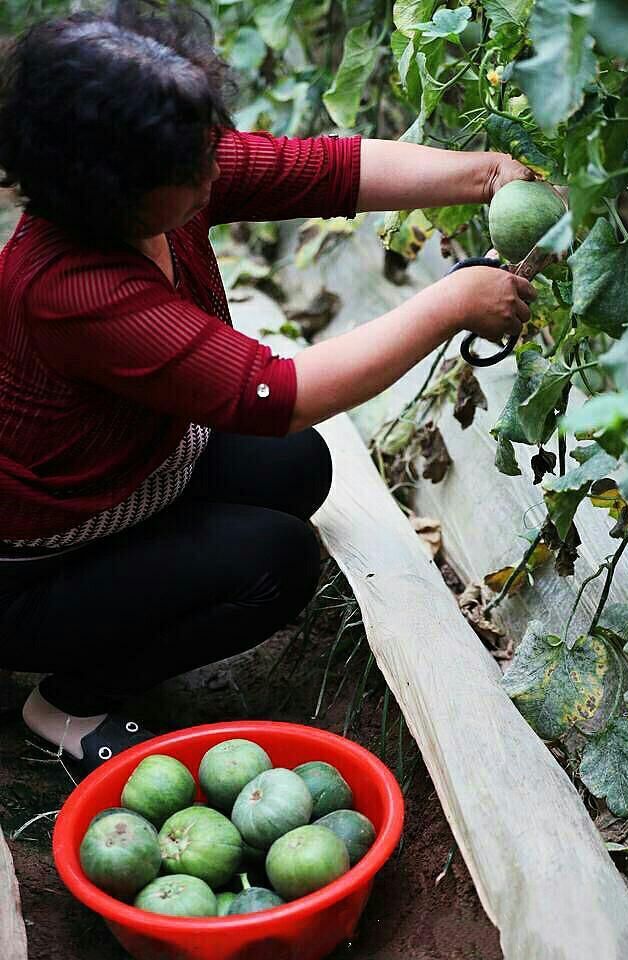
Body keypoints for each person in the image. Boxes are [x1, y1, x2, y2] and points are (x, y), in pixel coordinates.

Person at [0, 0, 536, 774]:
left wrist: (485, 175)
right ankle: (68, 701)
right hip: (32, 569)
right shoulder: (72, 290)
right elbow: (272, 394)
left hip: (122, 477)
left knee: (296, 465)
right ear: (114, 187)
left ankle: (145, 584)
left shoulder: (161, 176)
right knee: (274, 563)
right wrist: (452, 301)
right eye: (195, 163)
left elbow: (326, 169)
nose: (217, 166)